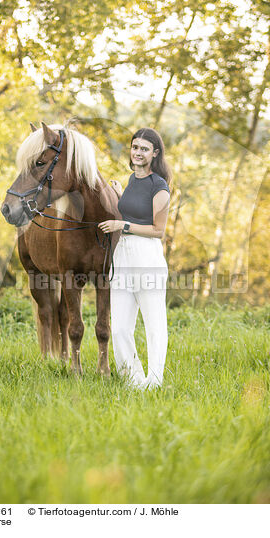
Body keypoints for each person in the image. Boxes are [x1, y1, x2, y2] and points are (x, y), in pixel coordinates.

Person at [98, 128, 171, 390]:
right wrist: (120, 195)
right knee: (118, 328)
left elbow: (158, 230)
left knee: (154, 326)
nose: (138, 152)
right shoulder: (131, 180)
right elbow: (132, 212)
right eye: (135, 147)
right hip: (123, 256)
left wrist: (122, 226)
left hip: (146, 256)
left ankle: (154, 383)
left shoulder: (159, 186)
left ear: (155, 153)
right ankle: (134, 382)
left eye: (144, 149)